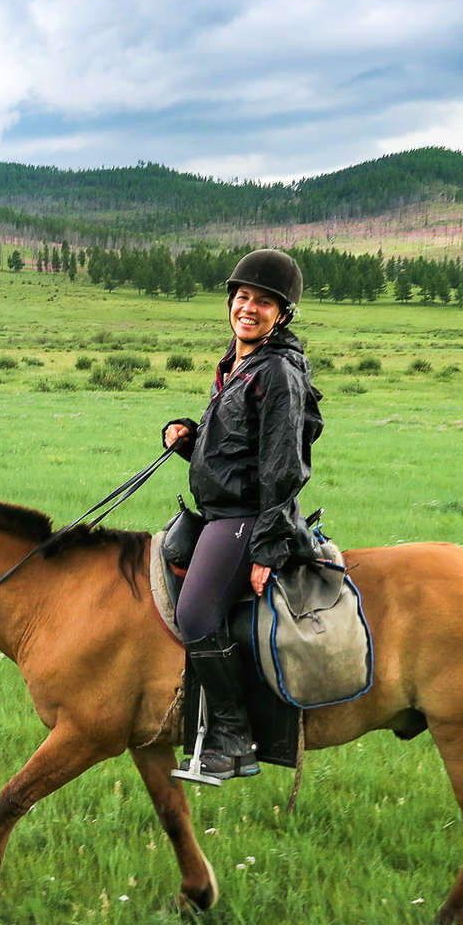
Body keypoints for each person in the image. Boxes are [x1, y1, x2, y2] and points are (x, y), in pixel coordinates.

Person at [161, 248, 323, 781]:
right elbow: (238, 448)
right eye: (243, 297)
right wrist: (189, 435)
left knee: (196, 614)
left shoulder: (276, 371)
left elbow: (282, 463)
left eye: (264, 302)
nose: (248, 308)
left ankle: (232, 740)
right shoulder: (237, 364)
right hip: (221, 510)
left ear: (283, 314)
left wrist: (269, 545)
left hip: (246, 518)